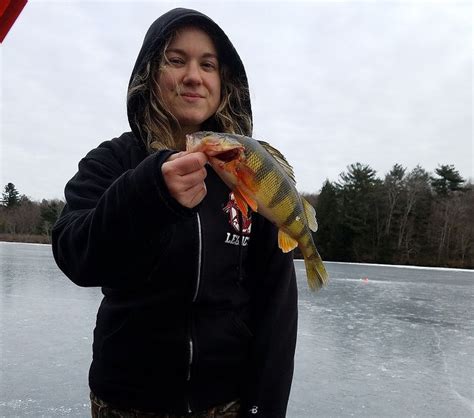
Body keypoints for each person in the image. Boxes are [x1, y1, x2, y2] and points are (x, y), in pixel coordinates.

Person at [52, 8, 297, 418]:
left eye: (208, 65)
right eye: (176, 60)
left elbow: (275, 304)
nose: (193, 76)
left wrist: (265, 407)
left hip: (226, 403)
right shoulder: (113, 161)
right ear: (150, 74)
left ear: (224, 84)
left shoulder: (247, 172)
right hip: (126, 402)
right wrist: (147, 192)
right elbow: (75, 255)